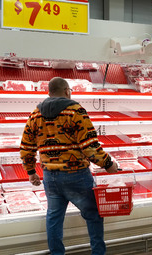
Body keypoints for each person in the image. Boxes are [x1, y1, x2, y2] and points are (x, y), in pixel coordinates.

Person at [20, 77, 118, 255]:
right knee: (93, 215)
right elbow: (89, 146)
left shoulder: (35, 114)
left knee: (54, 218)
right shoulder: (75, 111)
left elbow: (26, 147)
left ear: (49, 93)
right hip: (76, 174)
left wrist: (31, 171)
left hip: (50, 175)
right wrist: (109, 164)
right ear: (67, 91)